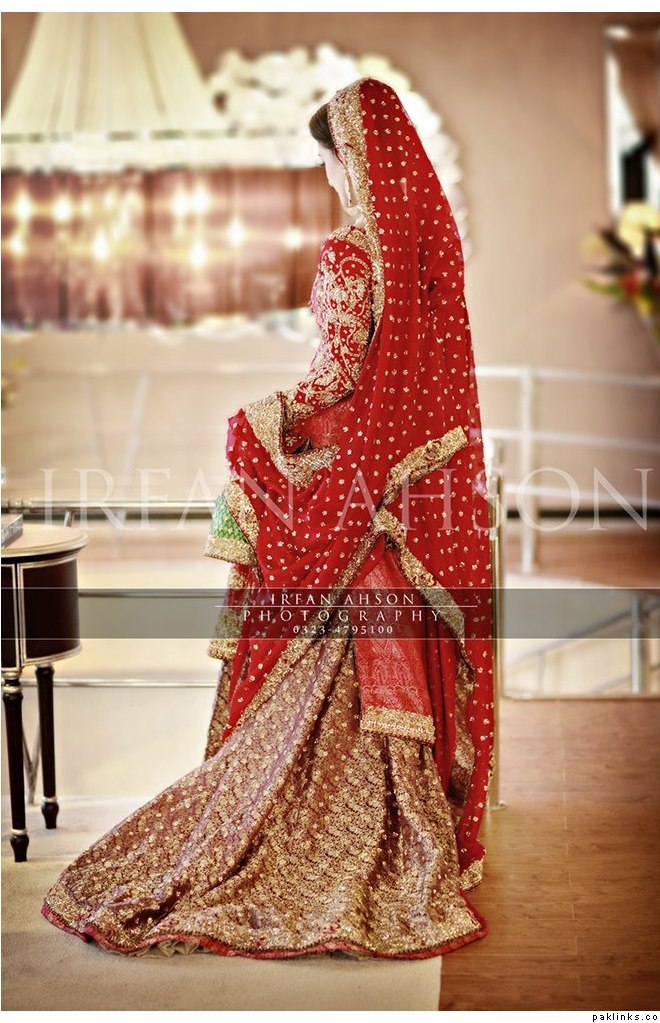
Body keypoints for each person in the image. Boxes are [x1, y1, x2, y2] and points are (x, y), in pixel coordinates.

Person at [41, 76, 494, 961]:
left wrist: (268, 413)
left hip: (349, 470)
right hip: (402, 490)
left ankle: (289, 832)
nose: (327, 174)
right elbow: (412, 386)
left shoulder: (351, 255)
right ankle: (405, 831)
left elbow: (337, 376)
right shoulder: (423, 252)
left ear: (349, 159)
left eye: (328, 158)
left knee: (304, 592)